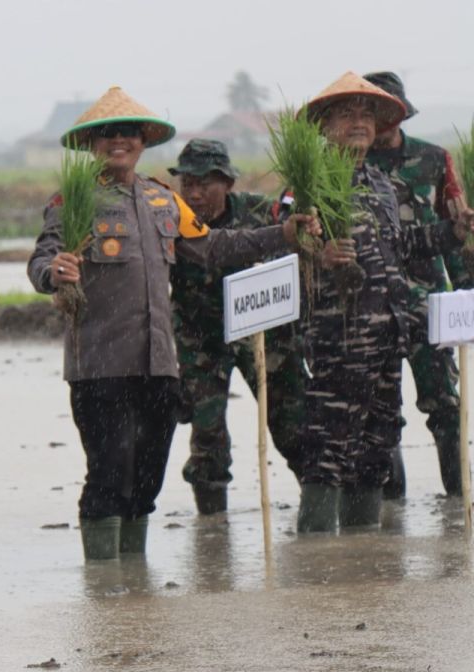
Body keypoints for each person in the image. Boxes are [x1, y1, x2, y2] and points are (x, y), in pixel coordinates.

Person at [26, 87, 317, 560]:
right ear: (92, 144)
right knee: (108, 472)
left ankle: (133, 587)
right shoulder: (72, 200)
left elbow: (214, 247)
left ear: (142, 142)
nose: (118, 141)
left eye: (128, 133)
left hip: (159, 364)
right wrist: (52, 272)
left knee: (146, 477)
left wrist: (282, 235)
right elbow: (43, 259)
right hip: (101, 365)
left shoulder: (164, 202)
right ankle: (104, 591)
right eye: (107, 135)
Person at [294, 72, 473, 533]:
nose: (359, 122)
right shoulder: (308, 184)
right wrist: (317, 253)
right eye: (346, 114)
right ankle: (315, 564)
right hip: (340, 337)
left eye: (366, 114)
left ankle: (364, 562)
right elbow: (282, 242)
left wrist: (451, 233)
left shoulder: (380, 184)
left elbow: (402, 245)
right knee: (329, 445)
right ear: (324, 125)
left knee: (376, 446)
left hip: (389, 335)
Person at [169, 139, 306, 514]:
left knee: (293, 423)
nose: (195, 194)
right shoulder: (172, 219)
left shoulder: (263, 213)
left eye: (205, 184)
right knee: (207, 432)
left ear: (227, 183)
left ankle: (319, 505)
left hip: (263, 335)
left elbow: (297, 263)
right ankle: (213, 530)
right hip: (200, 336)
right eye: (188, 184)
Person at [363, 71, 469, 497]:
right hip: (374, 302)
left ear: (403, 112)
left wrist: (467, 290)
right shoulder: (347, 163)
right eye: (375, 109)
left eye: (392, 109)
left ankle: (459, 500)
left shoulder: (433, 159)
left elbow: (457, 229)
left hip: (431, 304)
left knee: (444, 403)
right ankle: (392, 514)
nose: (385, 118)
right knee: (381, 410)